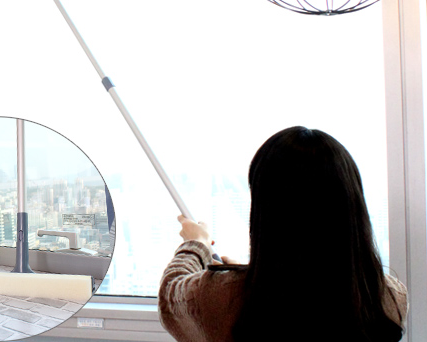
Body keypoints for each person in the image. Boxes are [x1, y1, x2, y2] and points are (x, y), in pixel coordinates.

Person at [159, 126, 407, 342]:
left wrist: (196, 244)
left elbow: (171, 297)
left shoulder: (223, 297)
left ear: (267, 213)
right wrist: (244, 275)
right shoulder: (389, 298)